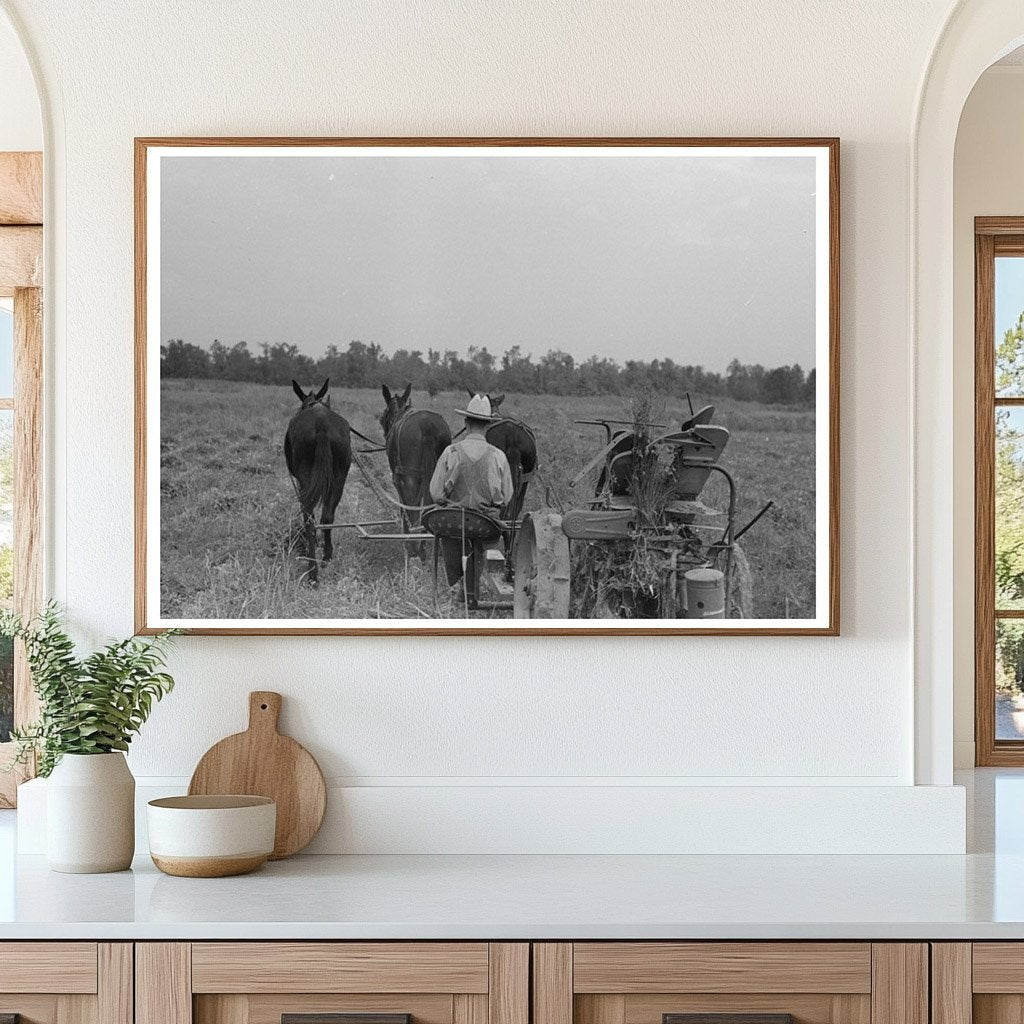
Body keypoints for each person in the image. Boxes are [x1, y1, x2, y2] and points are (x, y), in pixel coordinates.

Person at [429, 394, 513, 599]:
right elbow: (507, 496)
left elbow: (435, 493)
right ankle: (472, 588)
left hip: (452, 521)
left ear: (466, 423)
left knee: (450, 532)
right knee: (483, 539)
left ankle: (457, 585)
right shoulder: (497, 455)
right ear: (487, 426)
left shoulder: (451, 451)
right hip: (485, 524)